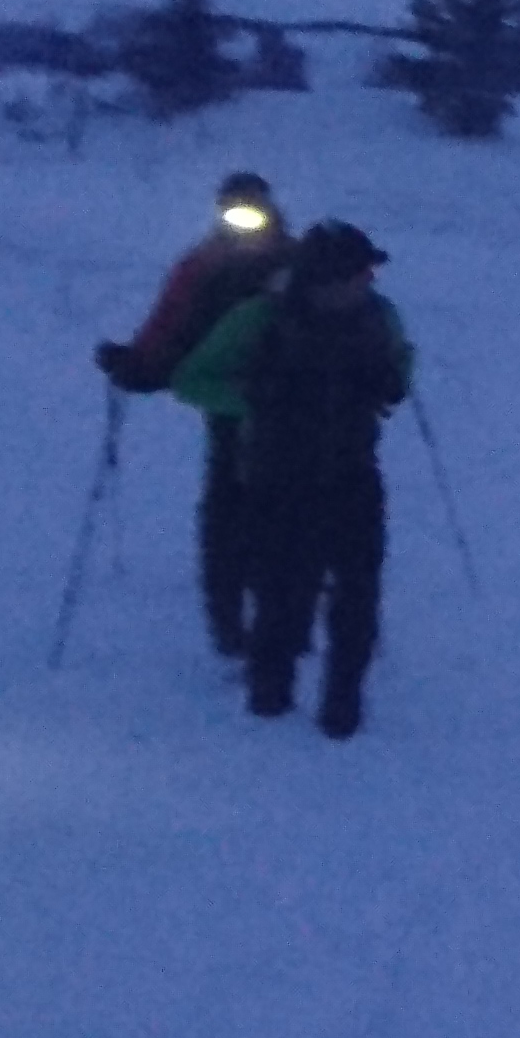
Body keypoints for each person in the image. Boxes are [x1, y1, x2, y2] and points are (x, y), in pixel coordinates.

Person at [171, 221, 412, 738]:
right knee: (283, 593)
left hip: (354, 473)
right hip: (276, 478)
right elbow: (192, 380)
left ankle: (343, 706)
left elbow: (401, 362)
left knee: (359, 593)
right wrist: (257, 401)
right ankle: (270, 700)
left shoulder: (379, 315)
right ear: (323, 277)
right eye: (359, 273)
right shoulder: (259, 318)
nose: (368, 281)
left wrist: (391, 384)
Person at [97, 171, 292, 661]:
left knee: (292, 497)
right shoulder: (203, 264)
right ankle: (228, 614)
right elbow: (171, 319)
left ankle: (288, 592)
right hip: (224, 391)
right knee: (228, 494)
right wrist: (140, 363)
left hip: (295, 401)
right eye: (234, 209)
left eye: (252, 208)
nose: (244, 219)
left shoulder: (296, 259)